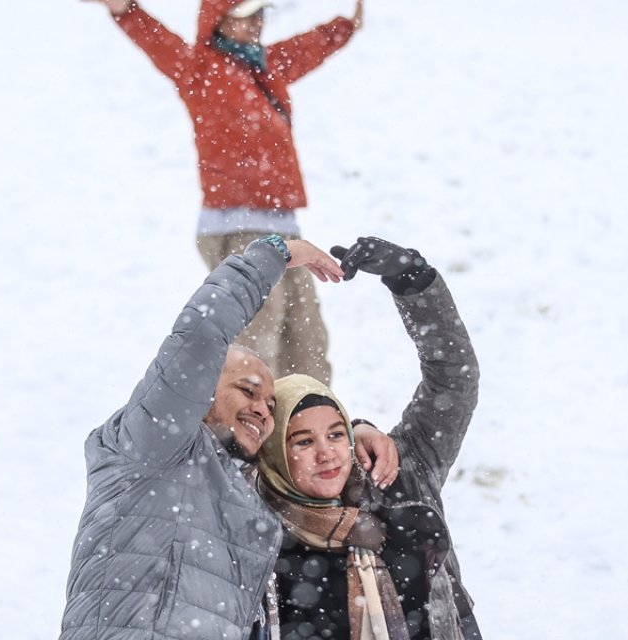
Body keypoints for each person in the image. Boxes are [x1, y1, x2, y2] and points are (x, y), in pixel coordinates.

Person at [59, 235, 401, 640]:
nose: (262, 408)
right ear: (201, 387)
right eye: (248, 389)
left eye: (271, 405)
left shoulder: (246, 497)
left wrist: (359, 429)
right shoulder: (153, 442)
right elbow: (202, 333)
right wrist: (274, 253)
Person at [84, 0, 367, 385]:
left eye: (260, 14)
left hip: (284, 229)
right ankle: (245, 437)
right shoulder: (198, 68)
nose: (254, 24)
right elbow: (157, 41)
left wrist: (345, 27)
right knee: (257, 344)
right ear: (217, 21)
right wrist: (125, 10)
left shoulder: (267, 66)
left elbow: (306, 48)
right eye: (243, 16)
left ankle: (310, 431)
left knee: (307, 342)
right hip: (235, 231)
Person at [255, 237, 484, 639]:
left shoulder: (397, 476)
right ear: (274, 453)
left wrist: (412, 278)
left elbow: (453, 381)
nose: (327, 454)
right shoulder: (253, 525)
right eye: (303, 442)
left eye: (336, 433)